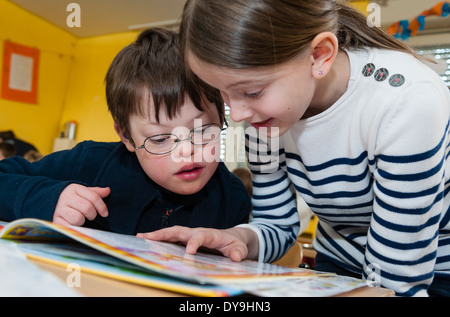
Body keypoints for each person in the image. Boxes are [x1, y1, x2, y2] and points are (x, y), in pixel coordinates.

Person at [138, 0, 450, 296]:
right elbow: (276, 224)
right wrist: (238, 239)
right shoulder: (262, 119)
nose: (238, 114)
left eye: (252, 91)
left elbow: (398, 270)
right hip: (337, 269)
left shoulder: (407, 99)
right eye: (223, 94)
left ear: (319, 56)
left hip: (429, 274)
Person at [0, 28, 251, 235]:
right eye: (160, 138)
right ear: (127, 137)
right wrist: (47, 199)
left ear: (222, 116)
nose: (187, 151)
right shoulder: (90, 162)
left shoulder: (233, 197)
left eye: (203, 130)